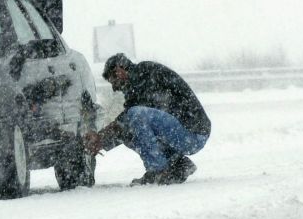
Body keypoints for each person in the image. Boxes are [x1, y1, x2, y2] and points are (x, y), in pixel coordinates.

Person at [84, 53, 211, 185]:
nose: (114, 88)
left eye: (113, 81)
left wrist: (101, 138)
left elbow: (134, 115)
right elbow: (125, 123)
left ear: (119, 70)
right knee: (127, 131)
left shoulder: (145, 73)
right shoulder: (137, 85)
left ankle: (157, 170)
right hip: (181, 134)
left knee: (135, 116)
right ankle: (178, 164)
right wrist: (101, 141)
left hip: (192, 133)